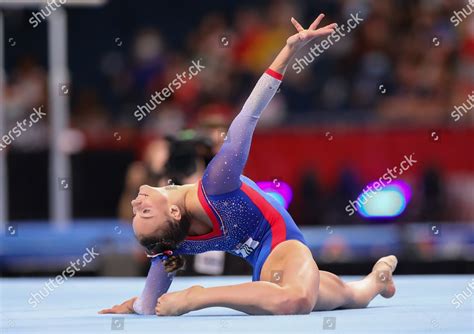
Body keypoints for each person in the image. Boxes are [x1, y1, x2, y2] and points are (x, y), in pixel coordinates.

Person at [99, 13, 398, 316]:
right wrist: (135, 307)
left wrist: (288, 50)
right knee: (353, 296)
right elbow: (150, 304)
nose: (136, 202)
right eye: (144, 212)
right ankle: (378, 279)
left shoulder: (216, 185)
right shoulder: (175, 241)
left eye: (136, 210)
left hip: (283, 246)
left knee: (295, 301)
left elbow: (249, 114)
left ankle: (202, 295)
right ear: (173, 214)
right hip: (266, 271)